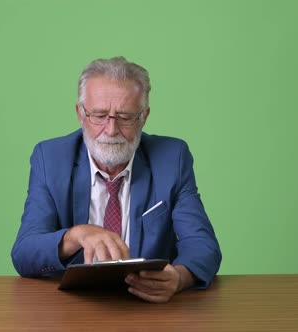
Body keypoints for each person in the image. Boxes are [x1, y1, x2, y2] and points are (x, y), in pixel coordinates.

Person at [11, 56, 221, 303]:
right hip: (70, 308)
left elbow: (203, 245)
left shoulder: (172, 158)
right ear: (80, 114)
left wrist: (179, 278)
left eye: (125, 117)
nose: (111, 130)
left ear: (143, 117)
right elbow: (24, 253)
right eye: (99, 115)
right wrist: (77, 235)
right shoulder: (50, 159)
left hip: (149, 309)